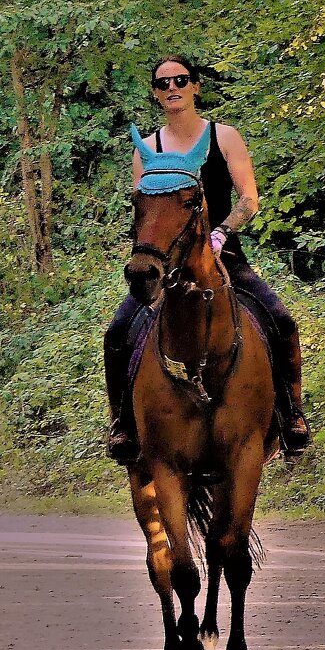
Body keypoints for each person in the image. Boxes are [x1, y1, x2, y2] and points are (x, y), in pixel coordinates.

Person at [104, 55, 311, 464]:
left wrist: (221, 231)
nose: (172, 88)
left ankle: (291, 415)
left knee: (281, 320)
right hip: (164, 265)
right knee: (117, 333)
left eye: (180, 80)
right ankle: (124, 425)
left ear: (196, 86)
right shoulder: (146, 148)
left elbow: (249, 199)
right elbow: (143, 210)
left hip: (222, 256)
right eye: (163, 83)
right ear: (155, 93)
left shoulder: (225, 137)